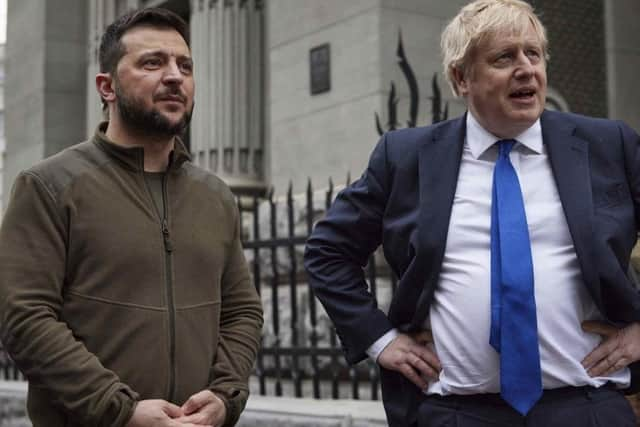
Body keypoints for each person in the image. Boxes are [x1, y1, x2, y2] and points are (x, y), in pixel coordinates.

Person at [304, 1, 640, 426]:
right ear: (461, 77)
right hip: (456, 412)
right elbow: (328, 252)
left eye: (533, 54)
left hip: (585, 408)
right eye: (504, 57)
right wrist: (380, 339)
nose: (526, 69)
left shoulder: (607, 145)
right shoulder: (406, 157)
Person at [0, 8, 262, 427]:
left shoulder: (215, 196)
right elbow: (25, 318)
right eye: (152, 63)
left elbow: (242, 311)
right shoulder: (48, 186)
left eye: (185, 65)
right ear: (107, 86)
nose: (175, 76)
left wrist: (225, 394)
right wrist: (121, 410)